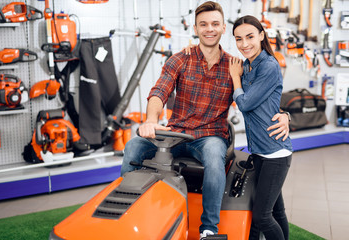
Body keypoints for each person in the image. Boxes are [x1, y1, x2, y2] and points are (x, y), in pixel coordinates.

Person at [121, 2, 289, 239]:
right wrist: (150, 119)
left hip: (210, 136)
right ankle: (128, 212)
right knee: (133, 146)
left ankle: (208, 229)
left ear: (222, 28)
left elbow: (263, 95)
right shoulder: (180, 59)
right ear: (196, 28)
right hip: (176, 133)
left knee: (213, 158)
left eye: (214, 24)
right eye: (203, 24)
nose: (209, 29)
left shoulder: (235, 67)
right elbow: (159, 91)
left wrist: (284, 115)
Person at [229, 15, 293, 240]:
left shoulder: (268, 65)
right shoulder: (245, 64)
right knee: (276, 210)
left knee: (262, 216)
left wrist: (236, 80)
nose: (244, 44)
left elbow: (245, 103)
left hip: (275, 151)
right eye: (238, 39)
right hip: (260, 151)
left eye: (249, 37)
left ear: (261, 36)